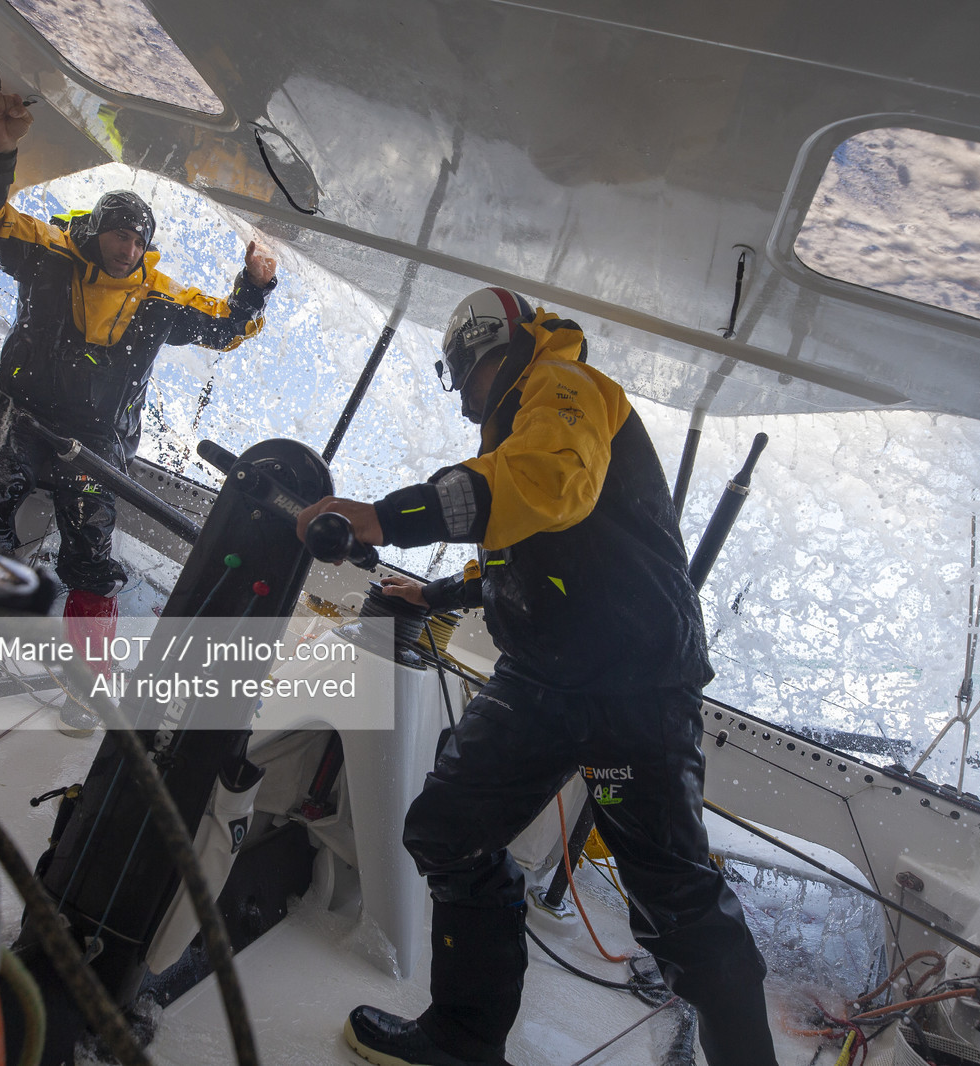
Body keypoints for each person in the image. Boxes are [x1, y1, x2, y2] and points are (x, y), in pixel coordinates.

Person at [296, 288, 777, 1066]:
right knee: (448, 832)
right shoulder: (519, 423)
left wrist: (383, 518)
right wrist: (443, 591)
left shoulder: (565, 389)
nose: (466, 387)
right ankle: (463, 1041)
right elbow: (534, 553)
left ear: (497, 348)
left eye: (467, 369)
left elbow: (547, 489)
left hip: (632, 689)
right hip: (546, 677)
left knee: (679, 908)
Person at [0, 91, 276, 728]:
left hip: (96, 447)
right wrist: (0, 148)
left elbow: (227, 328)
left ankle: (87, 679)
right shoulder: (48, 254)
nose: (125, 248)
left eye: (136, 240)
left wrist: (255, 285)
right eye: (117, 234)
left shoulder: (158, 299)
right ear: (95, 230)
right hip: (19, 418)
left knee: (92, 553)